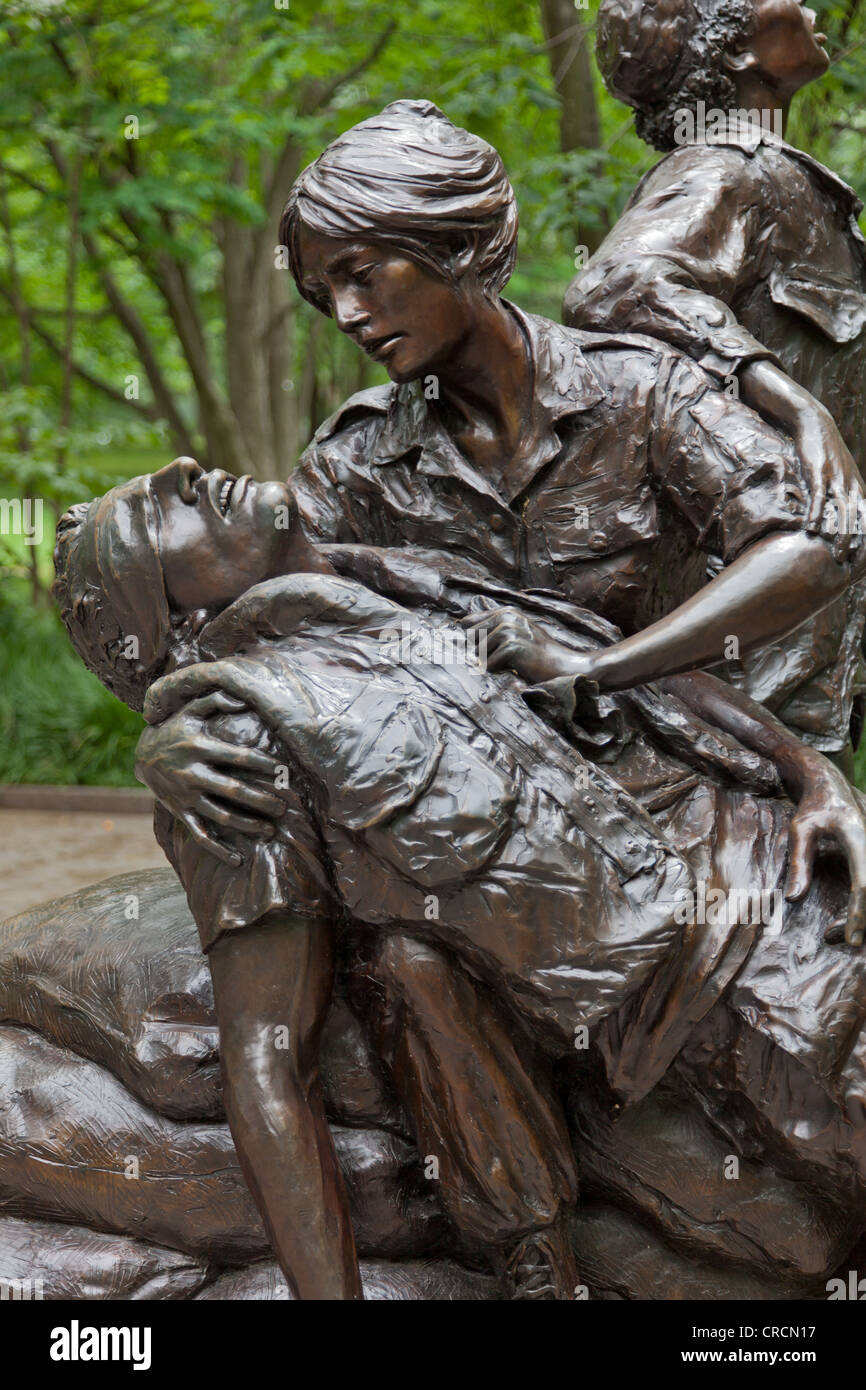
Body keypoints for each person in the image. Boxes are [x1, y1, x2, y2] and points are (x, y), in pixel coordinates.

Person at [119, 101, 866, 1294]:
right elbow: (248, 629)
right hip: (502, 854)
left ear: (454, 240)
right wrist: (167, 733)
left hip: (692, 787)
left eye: (364, 274)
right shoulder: (355, 463)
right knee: (410, 956)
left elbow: (808, 547)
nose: (349, 315)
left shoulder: (640, 395)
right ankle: (529, 1258)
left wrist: (788, 763)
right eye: (324, 294)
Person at [53, 459, 866, 1299]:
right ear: (180, 630)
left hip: (802, 853)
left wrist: (810, 773)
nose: (182, 470)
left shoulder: (399, 569)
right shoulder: (236, 744)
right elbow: (268, 1057)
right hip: (731, 972)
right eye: (154, 518)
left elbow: (628, 662)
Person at [564, 0, 866, 765]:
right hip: (742, 654)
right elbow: (615, 286)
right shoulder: (725, 168)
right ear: (734, 53)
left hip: (806, 641)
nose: (806, 4)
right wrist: (794, 406)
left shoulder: (795, 189)